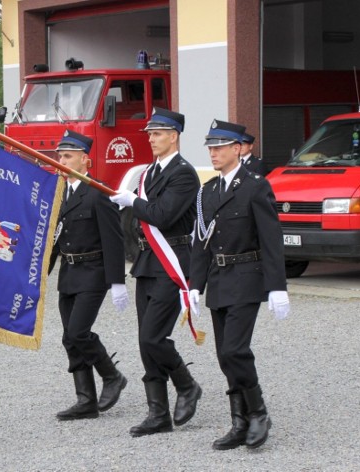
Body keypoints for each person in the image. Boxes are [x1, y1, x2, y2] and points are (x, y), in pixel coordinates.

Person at [188, 119, 290, 450]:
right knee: (223, 355)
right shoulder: (209, 190)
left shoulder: (255, 186)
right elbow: (202, 242)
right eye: (210, 148)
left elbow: (271, 239)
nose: (213, 153)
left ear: (237, 149)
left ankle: (259, 413)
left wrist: (277, 287)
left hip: (246, 277)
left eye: (219, 147)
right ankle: (239, 421)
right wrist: (194, 285)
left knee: (235, 350)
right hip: (218, 281)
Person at [110, 107, 202, 437]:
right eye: (149, 133)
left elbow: (161, 215)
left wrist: (132, 202)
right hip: (148, 262)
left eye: (158, 133)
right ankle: (158, 413)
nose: (151, 138)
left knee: (154, 336)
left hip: (172, 261)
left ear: (174, 136)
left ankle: (187, 384)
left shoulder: (183, 173)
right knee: (144, 340)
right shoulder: (148, 172)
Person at [50, 130, 129, 421]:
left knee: (78, 331)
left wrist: (117, 282)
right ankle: (85, 400)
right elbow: (56, 240)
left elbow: (114, 239)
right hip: (69, 273)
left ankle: (112, 376)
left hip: (93, 273)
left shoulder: (98, 193)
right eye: (60, 156)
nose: (62, 160)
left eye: (68, 156)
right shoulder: (60, 194)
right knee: (69, 339)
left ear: (86, 160)